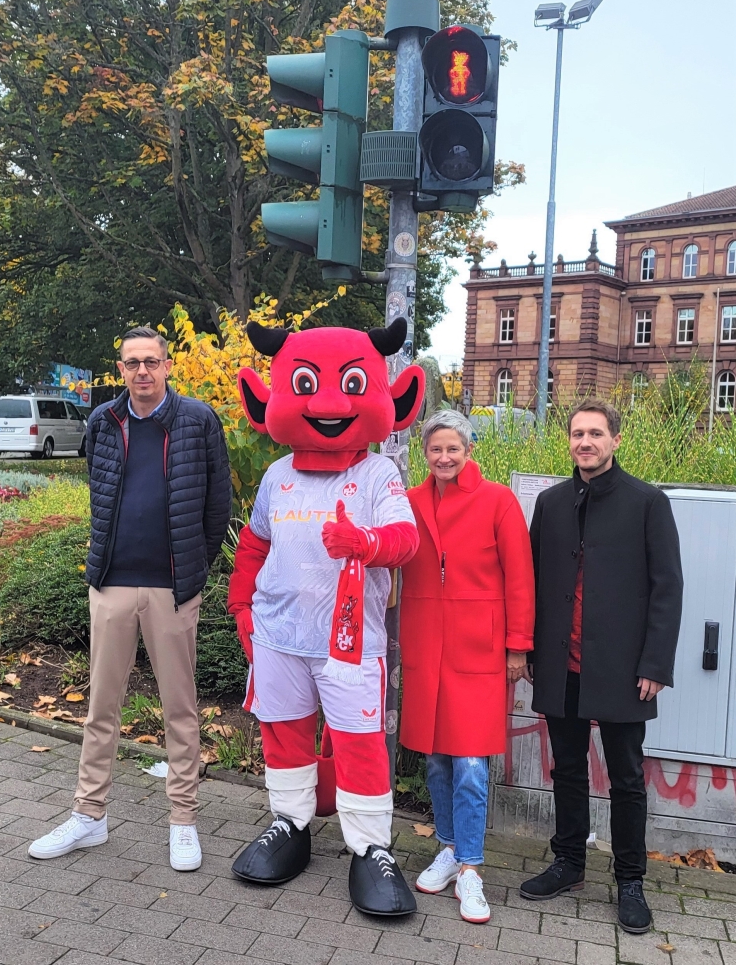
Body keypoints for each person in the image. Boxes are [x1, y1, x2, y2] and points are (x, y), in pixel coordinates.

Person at [227, 318, 425, 916]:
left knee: (360, 743)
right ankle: (290, 825)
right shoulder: (276, 475)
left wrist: (365, 542)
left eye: (349, 385)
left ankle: (370, 849)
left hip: (350, 643)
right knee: (283, 732)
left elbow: (406, 541)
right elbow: (255, 545)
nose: (330, 404)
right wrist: (241, 605)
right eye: (308, 385)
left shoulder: (378, 473)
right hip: (280, 636)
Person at [29, 326, 232, 870]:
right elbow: (102, 491)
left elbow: (219, 506)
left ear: (168, 366)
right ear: (120, 369)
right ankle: (88, 816)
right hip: (113, 583)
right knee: (102, 707)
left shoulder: (198, 420)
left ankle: (183, 821)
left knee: (180, 710)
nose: (142, 371)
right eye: (132, 363)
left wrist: (195, 568)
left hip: (173, 587)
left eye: (152, 362)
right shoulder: (103, 421)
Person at [520, 398, 683, 934]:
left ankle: (630, 880)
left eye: (595, 433)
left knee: (627, 778)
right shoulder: (550, 503)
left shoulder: (648, 503)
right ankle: (568, 863)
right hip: (561, 665)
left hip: (621, 669)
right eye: (576, 433)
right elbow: (532, 583)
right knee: (565, 769)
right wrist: (523, 650)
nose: (584, 442)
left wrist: (655, 662)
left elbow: (667, 587)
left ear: (615, 440)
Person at [399, 410, 535, 924]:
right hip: (426, 646)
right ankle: (451, 849)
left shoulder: (498, 500)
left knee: (473, 765)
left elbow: (520, 577)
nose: (444, 457)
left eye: (453, 448)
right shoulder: (408, 503)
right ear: (425, 453)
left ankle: (472, 868)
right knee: (435, 759)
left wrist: (517, 647)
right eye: (435, 449)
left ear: (469, 450)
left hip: (479, 651)